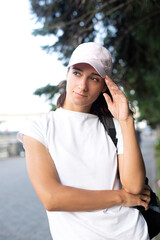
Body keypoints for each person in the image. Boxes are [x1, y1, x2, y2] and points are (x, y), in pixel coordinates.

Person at [18, 42, 151, 240]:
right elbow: (52, 198)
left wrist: (126, 120)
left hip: (131, 234)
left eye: (94, 78)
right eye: (78, 73)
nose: (83, 85)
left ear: (104, 86)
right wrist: (121, 197)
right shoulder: (38, 128)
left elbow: (134, 187)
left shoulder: (114, 125)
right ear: (67, 73)